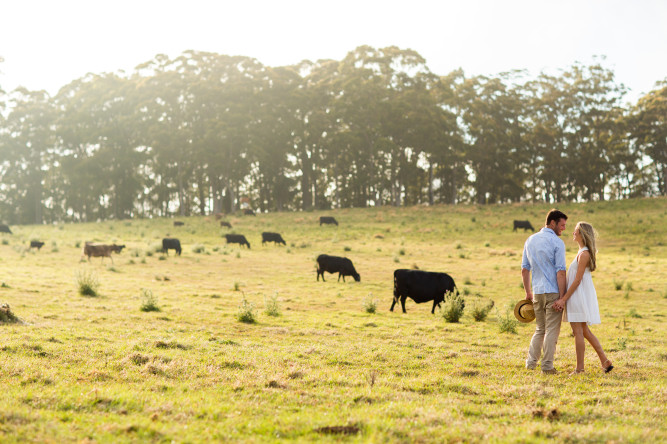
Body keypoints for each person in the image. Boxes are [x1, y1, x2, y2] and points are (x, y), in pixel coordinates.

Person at [553, 222, 613, 375]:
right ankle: (605, 361)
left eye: (576, 231)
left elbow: (577, 280)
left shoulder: (584, 253)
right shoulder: (582, 251)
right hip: (577, 296)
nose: (573, 233)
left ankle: (579, 369)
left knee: (578, 332)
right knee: (584, 331)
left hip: (577, 297)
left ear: (582, 234)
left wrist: (564, 299)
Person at [521, 209, 568, 374]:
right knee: (552, 330)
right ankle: (547, 366)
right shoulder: (556, 243)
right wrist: (562, 297)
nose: (563, 229)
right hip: (553, 292)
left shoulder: (530, 240)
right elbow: (561, 271)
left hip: (537, 292)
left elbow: (525, 270)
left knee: (540, 329)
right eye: (561, 225)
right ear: (553, 222)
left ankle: (530, 363)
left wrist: (528, 293)